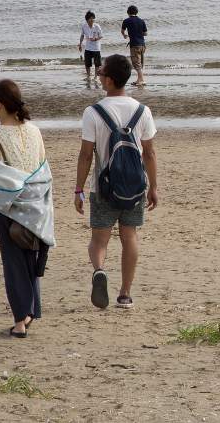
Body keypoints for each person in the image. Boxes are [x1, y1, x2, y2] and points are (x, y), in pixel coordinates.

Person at [75, 54, 159, 310]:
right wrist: (153, 187)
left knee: (99, 240)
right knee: (129, 236)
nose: (98, 75)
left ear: (109, 80)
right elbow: (149, 153)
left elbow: (86, 155)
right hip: (134, 186)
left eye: (101, 72)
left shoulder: (93, 112)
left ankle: (99, 270)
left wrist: (78, 189)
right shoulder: (142, 111)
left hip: (103, 188)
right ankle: (125, 294)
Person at [0, 80, 54, 338]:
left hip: (8, 205)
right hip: (35, 202)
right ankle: (31, 310)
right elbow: (42, 166)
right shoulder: (34, 131)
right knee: (30, 256)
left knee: (13, 262)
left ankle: (21, 319)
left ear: (0, 105)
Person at [121, 5, 149, 87]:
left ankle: (142, 80)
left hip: (134, 45)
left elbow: (122, 31)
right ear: (136, 12)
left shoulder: (126, 21)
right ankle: (139, 79)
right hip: (142, 44)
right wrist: (138, 33)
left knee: (136, 63)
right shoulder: (141, 21)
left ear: (128, 12)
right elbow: (146, 33)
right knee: (140, 63)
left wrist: (125, 35)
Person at [78, 11, 103, 86]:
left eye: (93, 18)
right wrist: (80, 44)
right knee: (87, 63)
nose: (92, 20)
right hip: (88, 47)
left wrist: (96, 39)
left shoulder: (97, 26)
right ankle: (88, 76)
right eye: (90, 19)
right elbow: (82, 35)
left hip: (96, 48)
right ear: (87, 19)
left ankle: (95, 77)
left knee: (97, 63)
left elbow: (101, 36)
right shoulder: (84, 26)